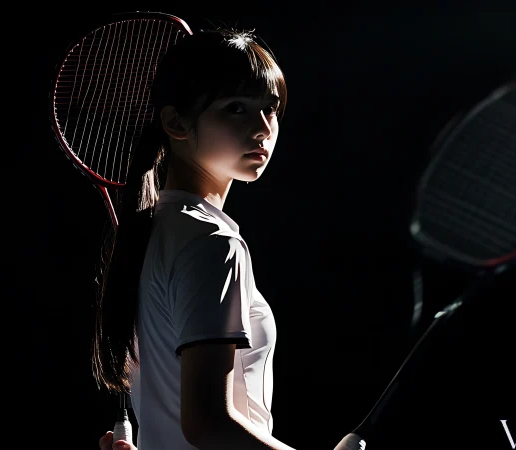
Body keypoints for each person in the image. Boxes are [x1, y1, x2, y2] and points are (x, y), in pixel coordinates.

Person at [91, 28, 365, 450]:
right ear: (175, 122)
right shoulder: (211, 243)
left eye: (270, 109)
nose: (262, 128)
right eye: (236, 108)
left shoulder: (155, 229)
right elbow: (208, 423)